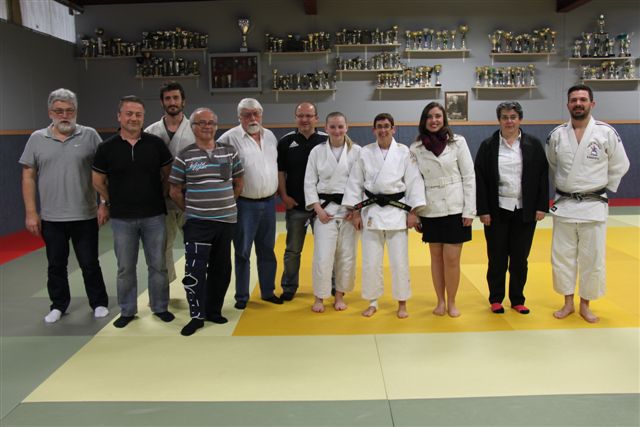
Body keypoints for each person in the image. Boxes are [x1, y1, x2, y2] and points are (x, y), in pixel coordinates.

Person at [20, 88, 109, 323]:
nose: (65, 115)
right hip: (51, 217)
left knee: (90, 263)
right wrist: (31, 212)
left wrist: (103, 203)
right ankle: (58, 305)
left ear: (76, 111)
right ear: (50, 112)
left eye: (70, 110)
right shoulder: (37, 138)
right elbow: (28, 176)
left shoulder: (89, 135)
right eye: (59, 111)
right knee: (56, 265)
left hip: (85, 214)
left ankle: (99, 303)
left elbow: (103, 172)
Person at [546, 84, 629, 323]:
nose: (578, 104)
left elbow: (620, 165)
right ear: (568, 105)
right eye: (574, 100)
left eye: (583, 99)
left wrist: (599, 187)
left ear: (592, 103)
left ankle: (585, 304)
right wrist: (567, 185)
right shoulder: (556, 135)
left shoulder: (606, 133)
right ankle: (567, 303)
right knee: (562, 257)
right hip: (565, 204)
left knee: (592, 258)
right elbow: (552, 165)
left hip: (594, 205)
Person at [92, 95, 175, 328]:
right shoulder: (106, 148)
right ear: (119, 116)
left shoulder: (155, 144)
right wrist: (114, 200)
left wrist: (158, 194)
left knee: (158, 264)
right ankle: (127, 310)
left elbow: (168, 174)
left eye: (138, 114)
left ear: (143, 117)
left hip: (154, 215)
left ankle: (160, 306)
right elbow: (98, 181)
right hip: (122, 218)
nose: (134, 118)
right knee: (125, 267)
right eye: (129, 113)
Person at [169, 108, 244, 336]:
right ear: (193, 127)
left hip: (225, 222)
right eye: (201, 122)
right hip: (197, 224)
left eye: (211, 122)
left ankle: (213, 311)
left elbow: (238, 182)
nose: (206, 126)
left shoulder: (229, 152)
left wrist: (226, 204)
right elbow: (174, 190)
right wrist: (193, 210)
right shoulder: (185, 155)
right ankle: (196, 316)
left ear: (216, 126)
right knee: (195, 271)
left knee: (222, 269)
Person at [343, 113, 425, 319]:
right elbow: (355, 183)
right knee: (370, 262)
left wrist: (413, 213)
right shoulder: (365, 152)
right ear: (374, 130)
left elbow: (414, 182)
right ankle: (372, 302)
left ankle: (402, 302)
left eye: (386, 126)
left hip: (397, 212)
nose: (383, 130)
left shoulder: (404, 152)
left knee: (400, 261)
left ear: (393, 129)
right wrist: (355, 213)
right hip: (371, 212)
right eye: (379, 126)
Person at [475, 101, 549, 315]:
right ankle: (496, 298)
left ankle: (517, 299)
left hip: (525, 209)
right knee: (496, 257)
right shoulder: (488, 146)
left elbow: (543, 176)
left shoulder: (533, 144)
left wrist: (541, 206)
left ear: (520, 119)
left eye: (513, 117)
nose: (509, 121)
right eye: (505, 117)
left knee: (520, 258)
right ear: (499, 120)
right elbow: (480, 179)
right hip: (497, 209)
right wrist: (483, 210)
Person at [409, 102, 475, 318]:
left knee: (452, 260)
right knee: (436, 259)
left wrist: (469, 211)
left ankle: (452, 302)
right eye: (429, 117)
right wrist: (416, 212)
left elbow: (469, 176)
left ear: (444, 119)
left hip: (456, 207)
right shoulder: (416, 148)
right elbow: (414, 182)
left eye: (438, 116)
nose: (434, 120)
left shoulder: (458, 142)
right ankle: (440, 301)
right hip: (430, 208)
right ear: (424, 121)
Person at [217, 98, 283, 309]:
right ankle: (242, 297)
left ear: (261, 115)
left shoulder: (270, 136)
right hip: (244, 204)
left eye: (256, 113)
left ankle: (268, 291)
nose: (252, 118)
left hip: (269, 203)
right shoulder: (228, 139)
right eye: (247, 114)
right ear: (239, 117)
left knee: (267, 250)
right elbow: (222, 175)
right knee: (242, 251)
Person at [304, 112, 361, 313]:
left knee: (346, 255)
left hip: (348, 211)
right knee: (322, 256)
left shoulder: (357, 151)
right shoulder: (317, 151)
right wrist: (317, 209)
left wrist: (356, 211)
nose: (337, 130)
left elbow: (362, 183)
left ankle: (339, 295)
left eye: (340, 126)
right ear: (326, 128)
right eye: (333, 127)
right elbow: (309, 182)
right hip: (325, 211)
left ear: (347, 127)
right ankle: (319, 297)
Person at [144, 81, 195, 284]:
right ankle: (164, 288)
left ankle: (195, 284)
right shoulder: (150, 131)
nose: (172, 102)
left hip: (190, 197)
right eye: (168, 98)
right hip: (161, 199)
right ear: (162, 102)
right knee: (161, 246)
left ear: (183, 101)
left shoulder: (195, 128)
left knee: (194, 243)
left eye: (176, 98)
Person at [277, 102, 327, 301]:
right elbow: (280, 172)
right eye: (301, 116)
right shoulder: (286, 141)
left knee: (326, 249)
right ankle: (289, 286)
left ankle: (330, 285)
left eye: (309, 115)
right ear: (295, 118)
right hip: (296, 204)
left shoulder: (326, 140)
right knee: (292, 250)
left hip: (322, 207)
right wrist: (284, 196)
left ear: (316, 118)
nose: (305, 119)